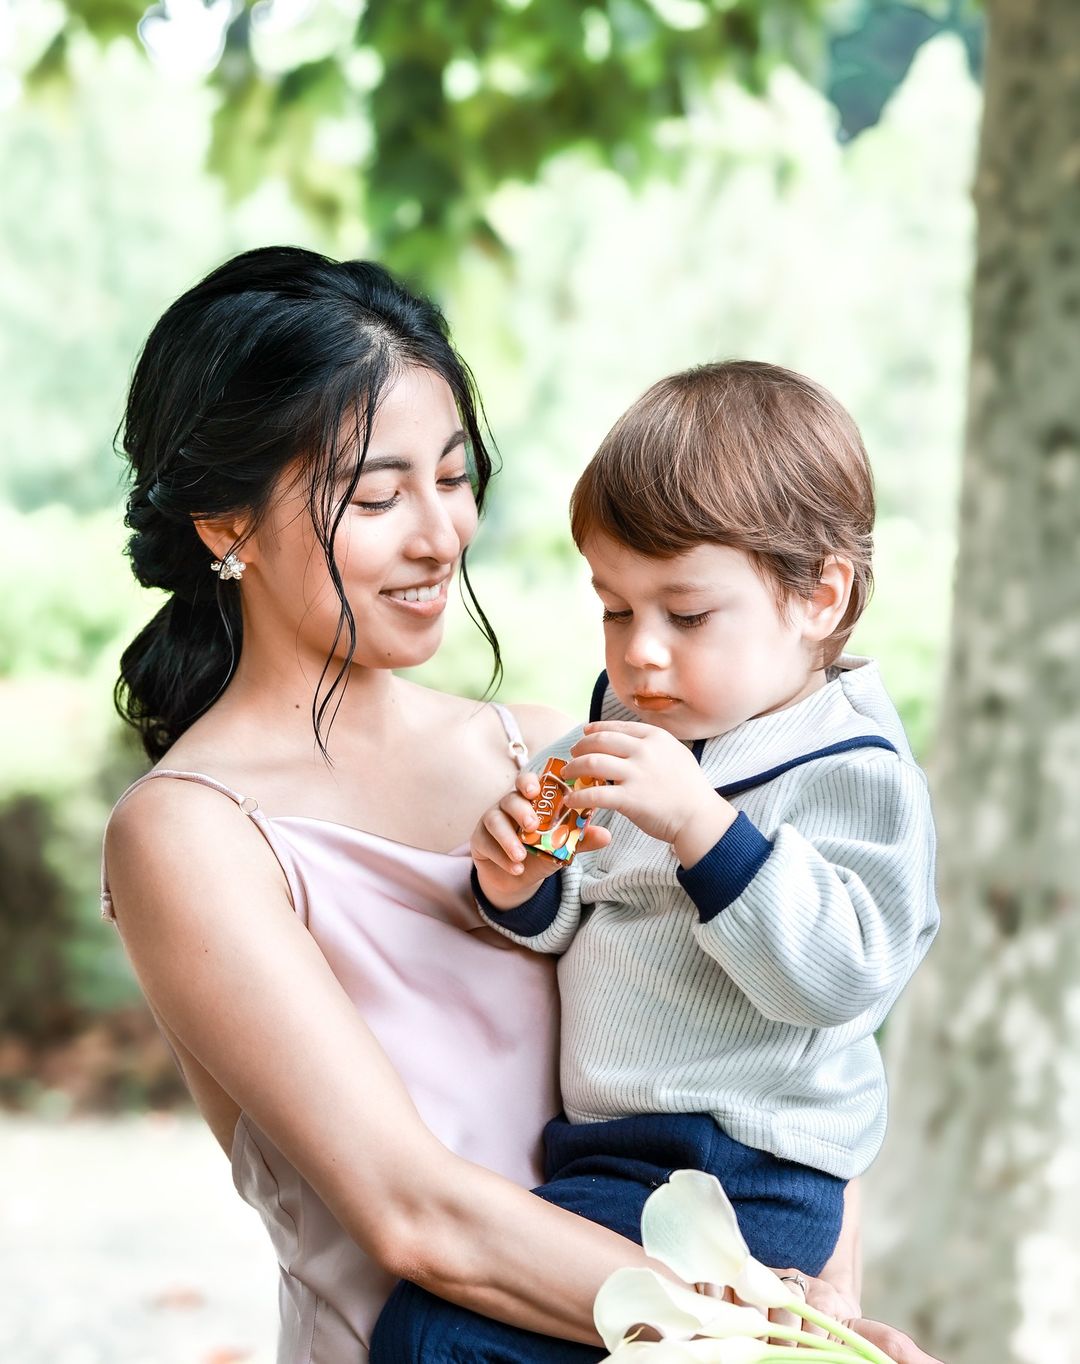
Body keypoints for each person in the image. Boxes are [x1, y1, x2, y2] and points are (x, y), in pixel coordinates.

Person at [102, 248, 941, 1364]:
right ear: (227, 526)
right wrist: (762, 1323)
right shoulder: (189, 833)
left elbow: (776, 1035)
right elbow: (419, 1215)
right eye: (376, 494)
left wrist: (825, 1302)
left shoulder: (539, 743)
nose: (439, 534)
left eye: (452, 479)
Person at [374, 361, 940, 1360]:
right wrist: (518, 879)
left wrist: (704, 829)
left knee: (440, 1336)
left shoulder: (852, 768)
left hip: (750, 1171)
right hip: (611, 1155)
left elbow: (844, 975)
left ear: (820, 595)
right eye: (614, 608)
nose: (641, 653)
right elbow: (577, 899)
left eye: (685, 615)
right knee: (446, 1327)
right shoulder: (631, 722)